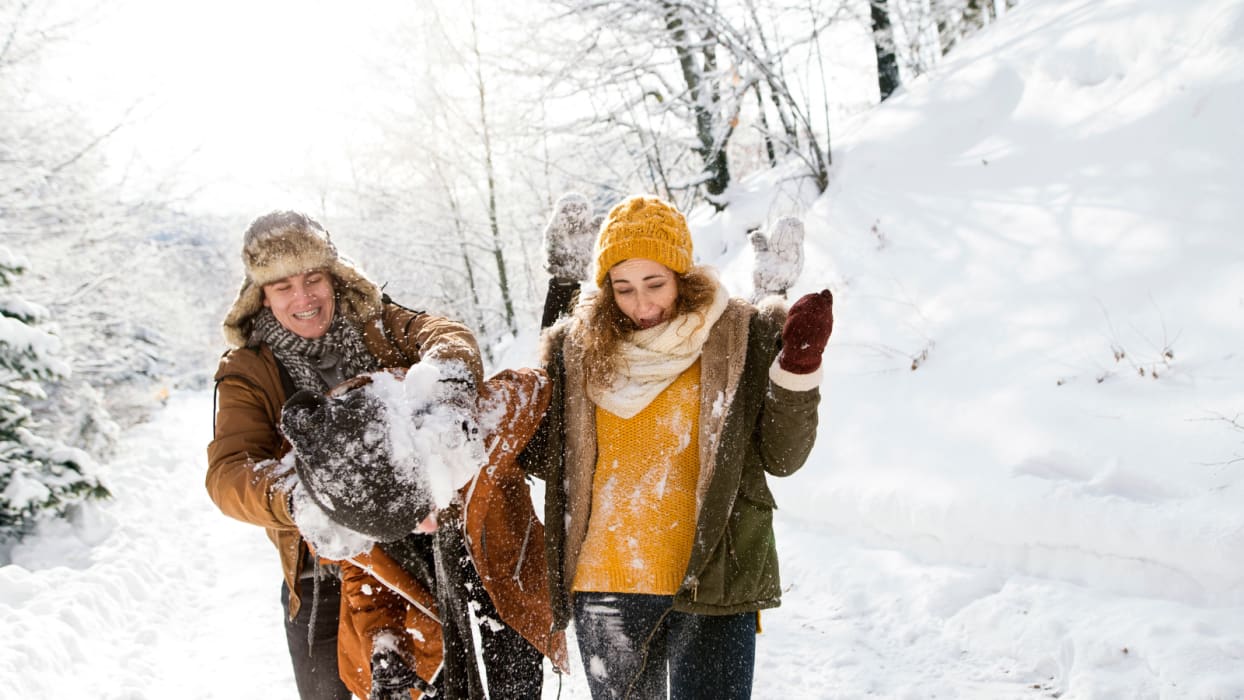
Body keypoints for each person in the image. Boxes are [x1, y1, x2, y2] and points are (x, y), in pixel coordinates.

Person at [521, 195, 834, 699]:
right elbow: (545, 452)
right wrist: (559, 291)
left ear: (682, 276)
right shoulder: (580, 350)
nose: (641, 305)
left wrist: (798, 367)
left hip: (712, 577)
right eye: (622, 289)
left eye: (654, 284)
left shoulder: (734, 335)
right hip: (605, 586)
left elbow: (782, 456)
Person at [205, 210, 488, 698]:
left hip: (417, 549)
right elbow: (229, 474)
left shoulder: (377, 324)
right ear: (261, 295)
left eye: (313, 279)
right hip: (321, 571)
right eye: (282, 287)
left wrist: (445, 397)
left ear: (334, 278)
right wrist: (308, 501)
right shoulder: (249, 370)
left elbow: (448, 336)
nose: (303, 298)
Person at [279, 364, 570, 700]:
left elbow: (534, 385)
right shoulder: (343, 507)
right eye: (410, 523)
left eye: (421, 508)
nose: (428, 526)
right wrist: (386, 646)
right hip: (435, 616)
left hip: (505, 585)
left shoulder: (463, 426)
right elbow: (370, 586)